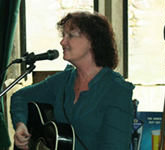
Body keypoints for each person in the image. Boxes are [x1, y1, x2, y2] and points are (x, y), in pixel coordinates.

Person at [10, 11, 135, 150]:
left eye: (71, 35)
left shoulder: (116, 90)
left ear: (93, 41)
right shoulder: (63, 81)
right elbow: (20, 96)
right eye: (63, 35)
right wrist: (20, 123)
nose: (62, 41)